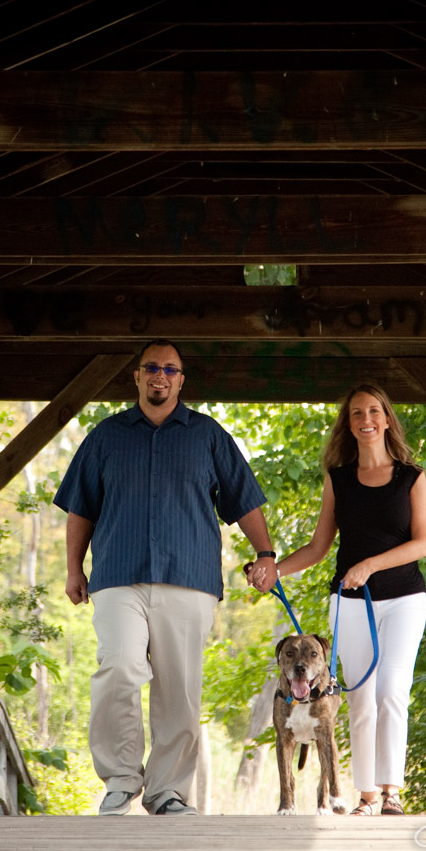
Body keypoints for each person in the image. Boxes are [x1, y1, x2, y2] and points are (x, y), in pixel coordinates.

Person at [55, 340, 277, 816]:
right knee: (117, 667)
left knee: (179, 687)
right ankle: (119, 780)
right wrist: (74, 568)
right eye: (152, 368)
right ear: (136, 377)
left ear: (181, 379)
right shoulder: (106, 437)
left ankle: (167, 791)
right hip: (118, 574)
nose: (160, 376)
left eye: (170, 369)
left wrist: (266, 553)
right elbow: (80, 509)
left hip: (189, 577)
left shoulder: (208, 436)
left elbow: (245, 500)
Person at [256, 384, 426, 816]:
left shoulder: (411, 476)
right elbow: (318, 547)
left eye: (374, 411)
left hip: (404, 598)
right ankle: (367, 796)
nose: (366, 419)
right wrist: (273, 570)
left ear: (387, 419)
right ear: (348, 424)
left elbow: (423, 543)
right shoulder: (339, 480)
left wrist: (370, 565)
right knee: (360, 696)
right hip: (350, 603)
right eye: (357, 413)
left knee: (392, 689)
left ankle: (392, 791)